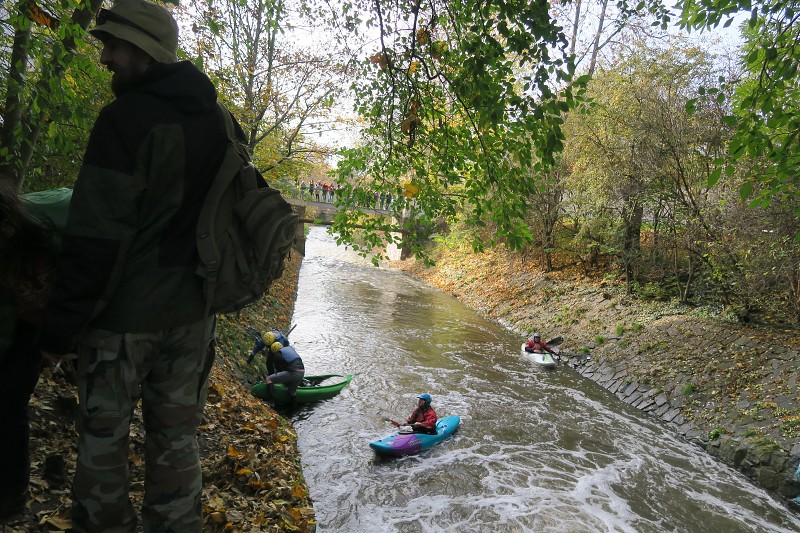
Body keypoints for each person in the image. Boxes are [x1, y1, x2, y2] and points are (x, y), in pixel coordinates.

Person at [36, 0, 239, 530]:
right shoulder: (219, 121)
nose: (104, 56)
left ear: (145, 51)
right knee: (176, 442)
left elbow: (94, 238)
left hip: (122, 322)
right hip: (193, 318)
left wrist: (59, 330)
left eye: (114, 45)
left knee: (102, 446)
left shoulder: (124, 120)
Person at [0, 184, 71, 521]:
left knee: (9, 398)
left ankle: (11, 496)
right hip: (22, 320)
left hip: (57, 316)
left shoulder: (55, 213)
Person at [264, 341, 305, 407]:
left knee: (269, 379)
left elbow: (278, 371)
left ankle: (272, 402)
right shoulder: (289, 348)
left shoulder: (278, 355)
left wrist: (275, 381)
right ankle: (292, 410)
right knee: (291, 391)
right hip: (302, 372)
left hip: (293, 372)